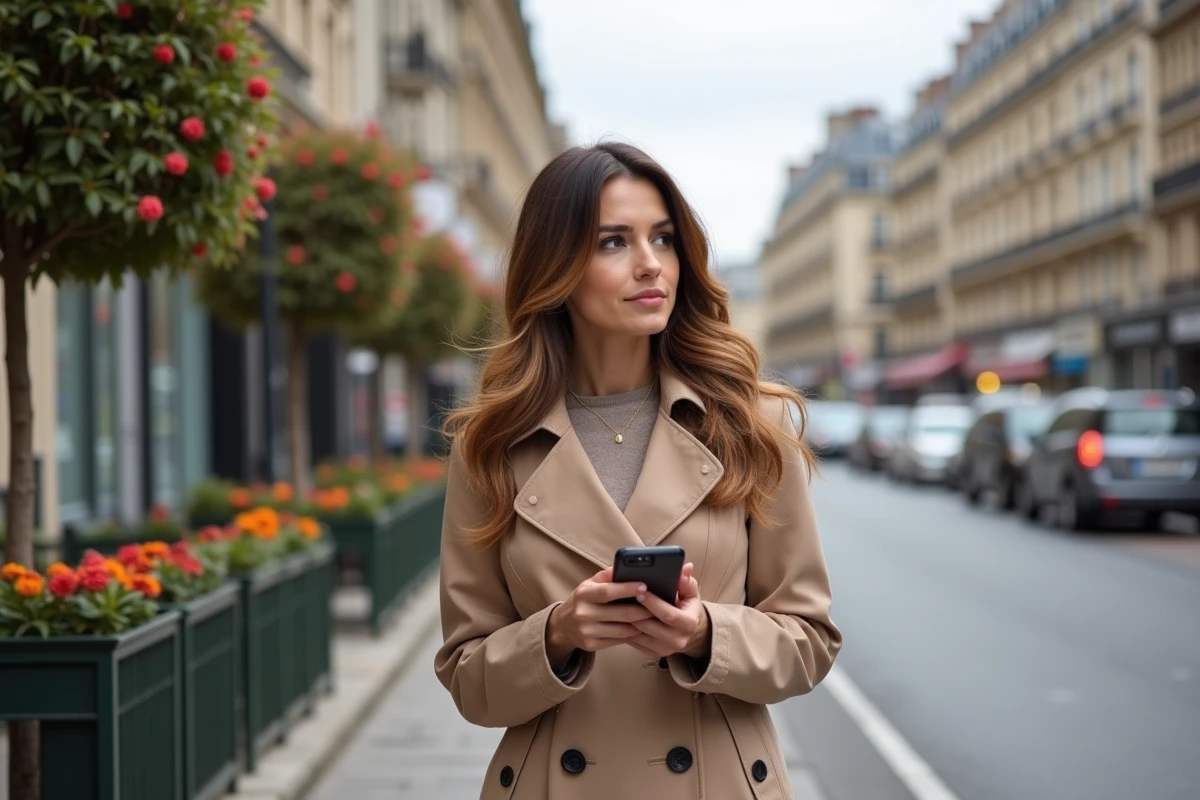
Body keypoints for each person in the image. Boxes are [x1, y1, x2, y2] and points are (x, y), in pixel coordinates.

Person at [435, 141, 841, 799]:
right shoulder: (492, 447)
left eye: (664, 239)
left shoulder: (748, 424)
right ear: (555, 268)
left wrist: (704, 633)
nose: (652, 265)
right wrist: (558, 633)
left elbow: (810, 642)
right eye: (614, 243)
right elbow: (467, 677)